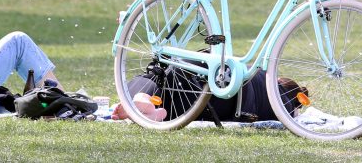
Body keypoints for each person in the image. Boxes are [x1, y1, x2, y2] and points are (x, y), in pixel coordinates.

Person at [113, 68, 309, 124]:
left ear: (279, 80)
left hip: (212, 85)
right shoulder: (286, 110)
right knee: (169, 86)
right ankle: (145, 106)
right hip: (214, 107)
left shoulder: (261, 73)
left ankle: (140, 100)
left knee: (156, 75)